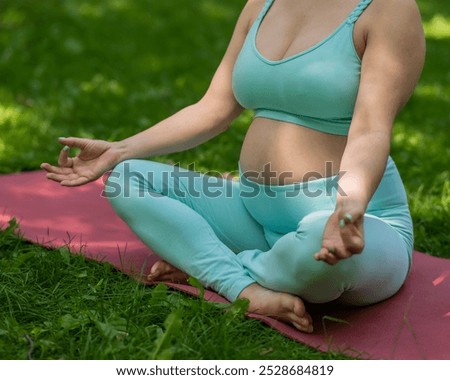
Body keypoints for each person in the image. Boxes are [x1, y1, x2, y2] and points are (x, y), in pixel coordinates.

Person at [41, 0, 425, 333]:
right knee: (126, 178)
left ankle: (215, 266)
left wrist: (350, 205)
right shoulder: (264, 4)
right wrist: (119, 150)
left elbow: (371, 129)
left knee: (316, 245)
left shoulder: (387, 9)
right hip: (255, 214)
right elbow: (215, 107)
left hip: (354, 221)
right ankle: (245, 288)